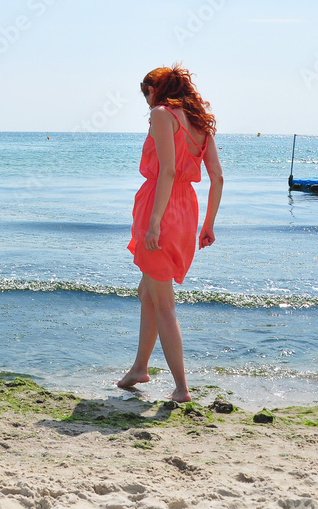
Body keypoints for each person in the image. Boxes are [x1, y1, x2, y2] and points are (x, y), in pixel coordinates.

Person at [117, 65, 223, 403]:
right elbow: (217, 178)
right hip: (186, 211)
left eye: (146, 92)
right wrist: (208, 224)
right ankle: (140, 368)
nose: (146, 100)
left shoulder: (163, 115)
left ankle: (181, 388)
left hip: (160, 210)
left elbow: (168, 169)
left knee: (164, 303)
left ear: (156, 89)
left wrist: (155, 222)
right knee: (148, 292)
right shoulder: (200, 123)